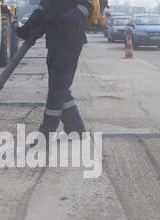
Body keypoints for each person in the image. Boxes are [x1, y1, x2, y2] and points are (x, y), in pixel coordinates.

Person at [17, 0, 94, 139]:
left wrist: (64, 20)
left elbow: (87, 6)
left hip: (70, 42)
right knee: (61, 89)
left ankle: (46, 133)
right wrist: (28, 26)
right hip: (54, 43)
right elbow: (42, 9)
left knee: (57, 90)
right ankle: (76, 130)